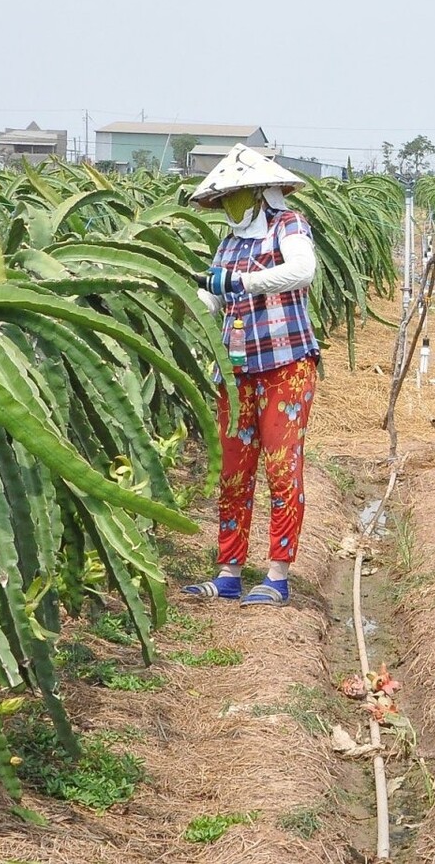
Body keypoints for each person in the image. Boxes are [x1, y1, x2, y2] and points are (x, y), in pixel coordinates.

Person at [181, 144, 321, 609]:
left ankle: (278, 573)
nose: (231, 206)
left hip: (286, 367)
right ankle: (229, 571)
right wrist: (187, 300)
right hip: (236, 371)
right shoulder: (228, 244)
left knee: (283, 467)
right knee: (234, 470)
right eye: (225, 199)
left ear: (262, 192)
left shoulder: (289, 225)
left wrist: (244, 282)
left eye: (238, 195)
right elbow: (215, 300)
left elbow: (303, 271)